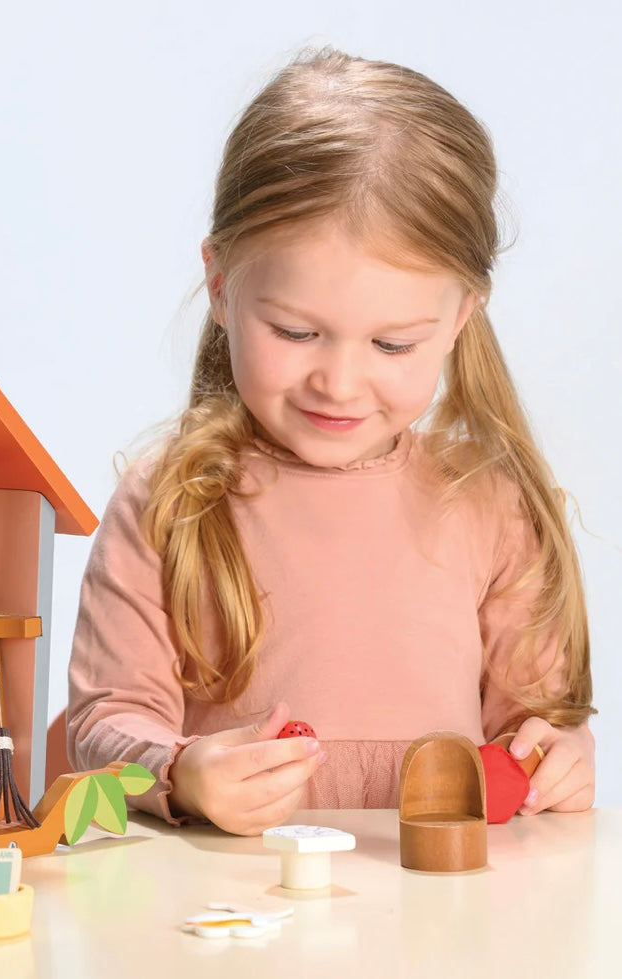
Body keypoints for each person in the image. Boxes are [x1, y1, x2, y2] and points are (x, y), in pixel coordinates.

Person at [66, 49, 596, 836]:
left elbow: (534, 729)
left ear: (459, 317)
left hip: (436, 899)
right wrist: (183, 772)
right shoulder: (167, 501)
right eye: (294, 331)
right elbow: (103, 724)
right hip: (233, 898)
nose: (339, 383)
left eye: (392, 344)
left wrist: (561, 755)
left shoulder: (488, 503)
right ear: (220, 285)